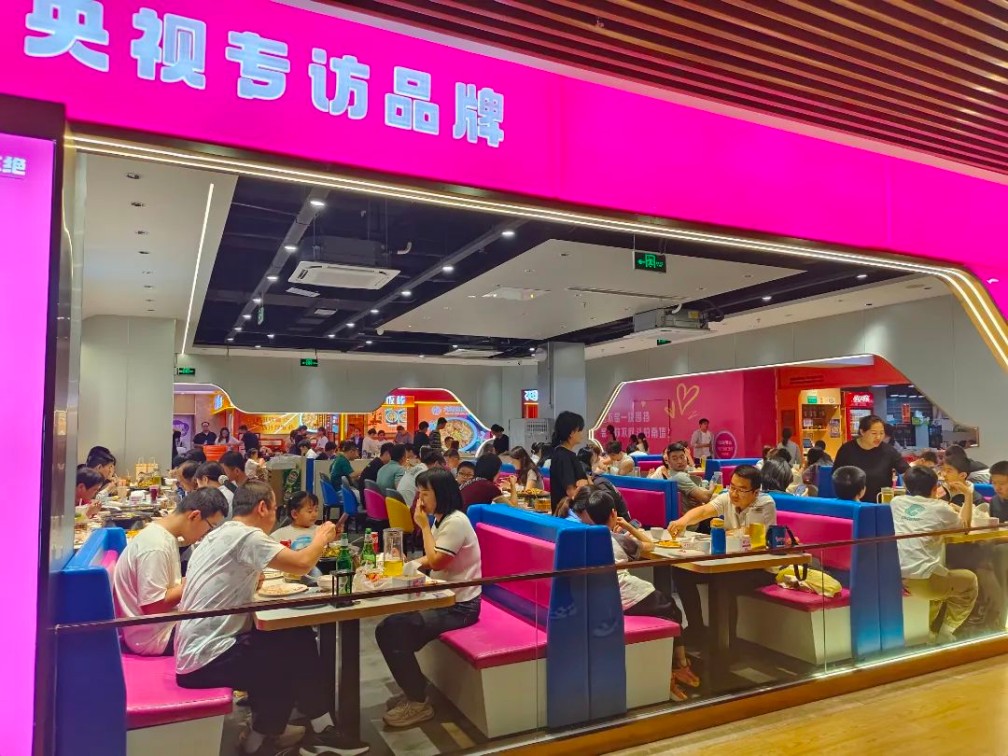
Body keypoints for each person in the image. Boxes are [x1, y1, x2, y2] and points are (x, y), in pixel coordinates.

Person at [175, 482, 368, 755]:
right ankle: (288, 736)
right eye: (275, 509)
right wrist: (321, 537)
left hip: (193, 649)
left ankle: (273, 733)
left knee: (293, 635)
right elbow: (301, 564)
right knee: (288, 658)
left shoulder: (218, 534)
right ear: (262, 508)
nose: (276, 516)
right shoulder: (247, 536)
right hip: (207, 657)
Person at [376, 468, 482, 728]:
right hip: (443, 598)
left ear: (441, 494)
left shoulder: (456, 522)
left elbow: (436, 560)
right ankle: (414, 688)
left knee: (391, 631)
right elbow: (434, 555)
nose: (419, 499)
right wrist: (412, 564)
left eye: (425, 493)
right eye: (419, 492)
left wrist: (423, 526)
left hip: (461, 606)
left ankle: (418, 702)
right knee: (391, 628)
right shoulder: (442, 519)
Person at [582, 487, 699, 701]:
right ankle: (679, 666)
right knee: (672, 608)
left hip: (602, 598)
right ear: (613, 513)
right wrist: (628, 526)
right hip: (624, 596)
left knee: (665, 606)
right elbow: (650, 546)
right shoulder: (618, 539)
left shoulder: (586, 536)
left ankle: (673, 665)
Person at [667, 465, 777, 646]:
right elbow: (704, 511)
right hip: (730, 565)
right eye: (732, 487)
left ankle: (726, 644)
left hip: (760, 569)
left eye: (741, 490)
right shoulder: (727, 497)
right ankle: (696, 629)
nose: (734, 493)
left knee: (723, 581)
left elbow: (750, 535)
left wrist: (725, 534)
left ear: (755, 492)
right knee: (682, 572)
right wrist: (682, 521)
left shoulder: (765, 504)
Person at [114, 487, 228, 655]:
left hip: (163, 625)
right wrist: (196, 581)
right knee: (232, 629)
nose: (206, 534)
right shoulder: (155, 546)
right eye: (210, 527)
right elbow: (153, 607)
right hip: (154, 637)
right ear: (195, 516)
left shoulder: (164, 535)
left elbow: (167, 588)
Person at [890, 466, 976, 644]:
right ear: (935, 487)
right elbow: (965, 528)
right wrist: (968, 495)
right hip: (922, 581)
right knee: (969, 582)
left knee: (939, 572)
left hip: (893, 575)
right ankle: (946, 632)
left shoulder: (896, 503)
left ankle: (927, 631)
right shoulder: (940, 508)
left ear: (906, 486)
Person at [834, 414, 910, 504]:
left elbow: (906, 471)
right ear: (862, 432)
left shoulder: (888, 451)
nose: (878, 437)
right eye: (874, 433)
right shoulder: (847, 450)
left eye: (881, 433)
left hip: (881, 503)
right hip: (852, 503)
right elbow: (837, 475)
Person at [548, 411, 590, 514]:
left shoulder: (562, 453)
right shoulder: (564, 457)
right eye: (580, 430)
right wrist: (586, 484)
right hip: (569, 514)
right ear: (571, 433)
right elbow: (571, 492)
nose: (582, 434)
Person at [655, 443, 713, 512]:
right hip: (693, 517)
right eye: (675, 459)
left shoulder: (675, 474)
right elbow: (705, 498)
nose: (680, 461)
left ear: (686, 458)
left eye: (682, 457)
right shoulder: (680, 476)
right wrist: (713, 485)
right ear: (669, 462)